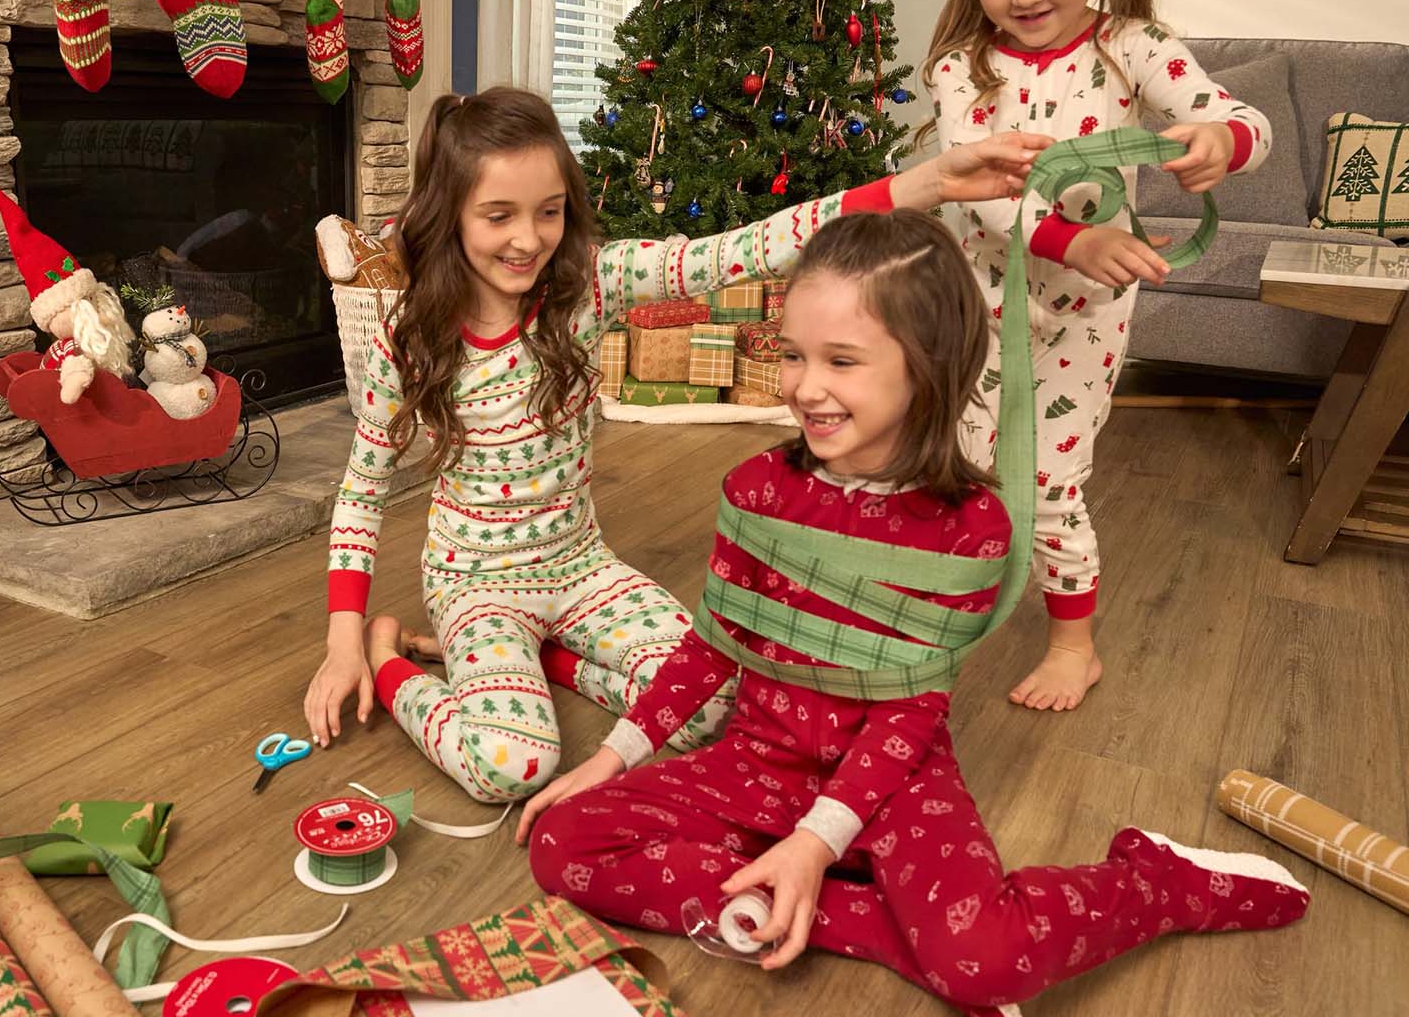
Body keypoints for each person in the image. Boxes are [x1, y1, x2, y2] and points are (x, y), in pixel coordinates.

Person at [519, 207, 1308, 1015]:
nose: (805, 385)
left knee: (985, 965)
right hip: (759, 761)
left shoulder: (971, 529)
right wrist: (611, 758)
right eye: (792, 354)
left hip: (894, 782)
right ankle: (856, 903)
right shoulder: (757, 491)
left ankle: (1155, 882)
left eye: (842, 361)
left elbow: (908, 714)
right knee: (563, 843)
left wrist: (819, 837)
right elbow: (711, 650)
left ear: (926, 368)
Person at [302, 84, 1049, 802]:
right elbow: (362, 491)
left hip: (579, 567)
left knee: (715, 707)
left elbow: (752, 247)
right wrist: (345, 646)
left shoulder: (589, 284)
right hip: (476, 584)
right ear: (449, 214)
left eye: (550, 211)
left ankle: (551, 660)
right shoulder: (412, 341)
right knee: (511, 764)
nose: (529, 238)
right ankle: (391, 655)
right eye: (499, 215)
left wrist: (927, 182)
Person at [922, 0, 1272, 711]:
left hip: (1085, 316)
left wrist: (1216, 142)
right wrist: (1067, 242)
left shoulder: (1134, 48)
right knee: (960, 463)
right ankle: (950, 606)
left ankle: (1074, 644)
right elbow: (983, 190)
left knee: (1047, 481)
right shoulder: (962, 69)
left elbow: (1241, 120)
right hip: (977, 308)